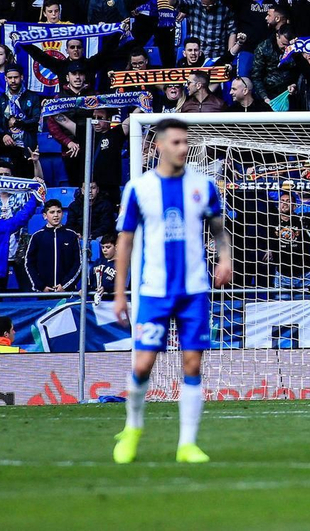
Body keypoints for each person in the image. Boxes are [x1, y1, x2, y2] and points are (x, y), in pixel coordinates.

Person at [112, 117, 233, 466]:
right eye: (176, 142)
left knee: (192, 364)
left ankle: (187, 444)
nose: (183, 148)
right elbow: (125, 242)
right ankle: (133, 427)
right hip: (154, 291)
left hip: (194, 290)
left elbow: (218, 228)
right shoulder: (139, 188)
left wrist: (225, 257)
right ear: (160, 145)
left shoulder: (203, 185)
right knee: (143, 364)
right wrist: (120, 293)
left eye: (185, 142)